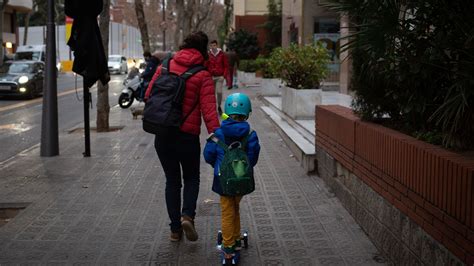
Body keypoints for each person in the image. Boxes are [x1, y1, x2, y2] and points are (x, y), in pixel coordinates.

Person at [144, 31, 220, 242]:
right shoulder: (202, 74)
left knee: (172, 181)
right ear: (203, 49)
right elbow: (209, 111)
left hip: (163, 134)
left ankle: (175, 230)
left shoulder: (165, 66)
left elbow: (148, 95)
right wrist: (218, 136)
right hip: (187, 136)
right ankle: (188, 216)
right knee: (192, 178)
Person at [203, 93, 260, 260]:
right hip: (242, 180)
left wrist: (218, 166)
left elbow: (208, 155)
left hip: (222, 180)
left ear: (227, 111)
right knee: (235, 207)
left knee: (227, 211)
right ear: (247, 113)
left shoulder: (218, 133)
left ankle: (228, 248)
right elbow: (253, 158)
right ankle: (235, 238)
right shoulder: (251, 134)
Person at [205, 40, 230, 115]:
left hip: (220, 77)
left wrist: (224, 76)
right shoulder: (208, 55)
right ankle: (212, 108)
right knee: (211, 94)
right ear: (210, 46)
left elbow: (226, 66)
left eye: (214, 45)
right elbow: (205, 66)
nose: (213, 47)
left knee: (219, 92)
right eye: (211, 45)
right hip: (211, 77)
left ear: (217, 45)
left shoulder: (222, 54)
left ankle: (219, 106)